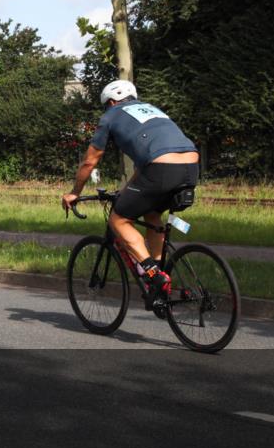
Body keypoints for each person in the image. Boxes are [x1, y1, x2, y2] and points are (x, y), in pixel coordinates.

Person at [62, 80, 199, 310]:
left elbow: (90, 161)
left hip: (161, 169)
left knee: (118, 219)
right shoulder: (154, 110)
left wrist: (74, 193)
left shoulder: (112, 115)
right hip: (191, 165)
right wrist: (127, 192)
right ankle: (158, 281)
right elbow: (144, 167)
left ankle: (155, 275)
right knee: (152, 214)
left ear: (112, 102)